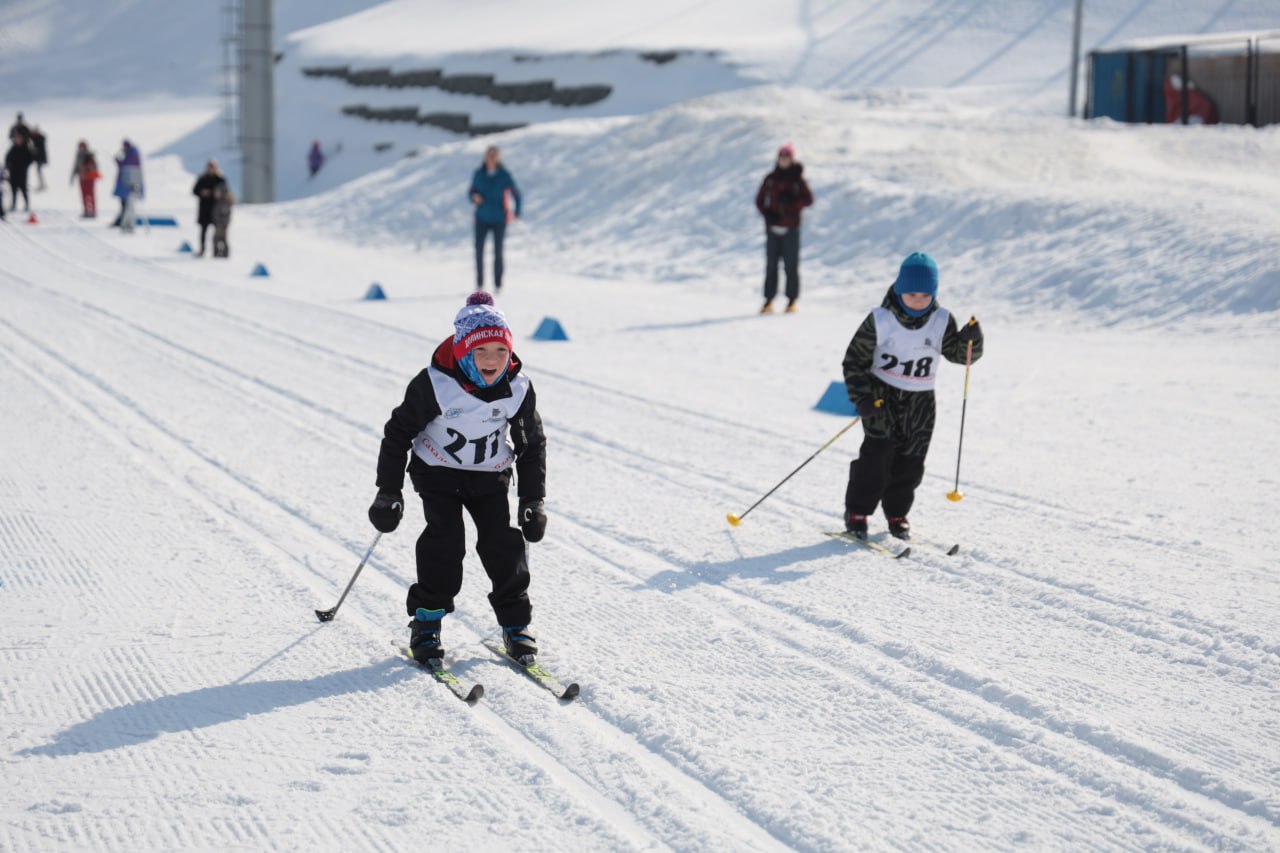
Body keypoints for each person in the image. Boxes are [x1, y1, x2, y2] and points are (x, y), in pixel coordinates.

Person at [369, 291, 547, 664]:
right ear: (464, 350)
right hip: (437, 473)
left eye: (501, 351)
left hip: (490, 476)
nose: (492, 361)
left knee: (502, 544)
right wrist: (388, 492)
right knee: (445, 543)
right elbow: (397, 433)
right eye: (481, 351)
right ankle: (427, 622)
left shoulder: (518, 388)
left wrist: (532, 500)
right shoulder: (435, 384)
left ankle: (516, 624)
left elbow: (531, 444)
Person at [841, 252, 984, 541]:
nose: (917, 300)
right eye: (911, 293)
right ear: (898, 289)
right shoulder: (881, 319)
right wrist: (862, 397)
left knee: (911, 459)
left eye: (924, 295)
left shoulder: (942, 319)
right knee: (878, 454)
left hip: (921, 401)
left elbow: (960, 356)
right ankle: (858, 512)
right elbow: (854, 361)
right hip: (883, 396)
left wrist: (971, 340)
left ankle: (897, 513)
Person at [754, 143, 814, 314]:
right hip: (772, 228)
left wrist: (793, 203)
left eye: (787, 156)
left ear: (792, 159)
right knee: (771, 265)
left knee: (791, 265)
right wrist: (767, 214)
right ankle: (768, 300)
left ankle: (791, 300)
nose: (784, 160)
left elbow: (809, 200)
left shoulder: (798, 180)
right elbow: (759, 200)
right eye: (781, 156)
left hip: (791, 228)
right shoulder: (771, 179)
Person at [468, 145, 521, 291]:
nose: (492, 158)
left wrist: (517, 211)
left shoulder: (504, 175)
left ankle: (498, 284)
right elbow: (471, 192)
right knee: (479, 250)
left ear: (498, 157)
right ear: (485, 156)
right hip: (482, 218)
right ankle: (479, 284)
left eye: (494, 155)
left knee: (498, 251)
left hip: (499, 218)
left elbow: (516, 193)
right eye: (489, 155)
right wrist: (474, 198)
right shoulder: (479, 174)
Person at [192, 159, 228, 256]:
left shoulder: (220, 179)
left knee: (218, 232)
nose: (210, 169)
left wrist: (218, 194)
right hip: (204, 209)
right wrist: (202, 192)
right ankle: (202, 249)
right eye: (209, 167)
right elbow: (194, 190)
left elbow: (226, 192)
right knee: (203, 231)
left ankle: (218, 251)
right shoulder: (202, 179)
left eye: (212, 167)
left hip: (217, 209)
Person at [112, 139, 143, 229]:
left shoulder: (132, 154)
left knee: (129, 205)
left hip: (130, 183)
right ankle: (125, 223)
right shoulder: (131, 154)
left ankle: (127, 223)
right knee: (126, 204)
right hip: (128, 183)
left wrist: (119, 161)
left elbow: (126, 166)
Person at [5, 129, 33, 213]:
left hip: (22, 173)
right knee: (13, 190)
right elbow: (7, 159)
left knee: (23, 189)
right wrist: (9, 167)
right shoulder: (13, 149)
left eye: (19, 138)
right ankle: (13, 205)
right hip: (13, 173)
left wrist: (25, 166)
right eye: (16, 138)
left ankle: (27, 205)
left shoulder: (25, 148)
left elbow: (30, 159)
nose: (17, 140)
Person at [70, 141, 100, 218]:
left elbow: (95, 167)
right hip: (82, 178)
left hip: (88, 178)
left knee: (90, 195)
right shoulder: (79, 155)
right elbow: (75, 166)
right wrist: (72, 176)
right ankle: (87, 211)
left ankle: (92, 211)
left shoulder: (89, 155)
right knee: (84, 195)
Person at [211, 187, 234, 258]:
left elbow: (225, 216)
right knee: (219, 239)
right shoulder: (220, 201)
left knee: (220, 239)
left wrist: (221, 225)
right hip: (219, 224)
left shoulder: (224, 203)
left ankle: (223, 254)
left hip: (221, 225)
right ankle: (219, 253)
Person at [29, 126, 47, 191]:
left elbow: (38, 150)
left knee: (39, 171)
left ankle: (42, 184)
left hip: (40, 158)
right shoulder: (38, 138)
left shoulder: (39, 139)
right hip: (39, 158)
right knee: (38, 171)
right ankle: (42, 184)